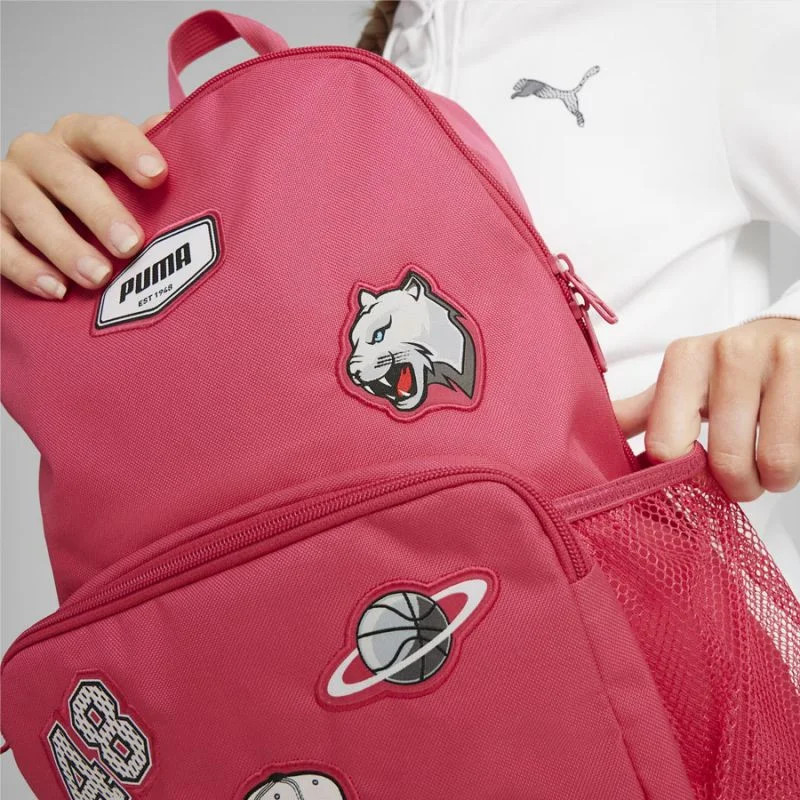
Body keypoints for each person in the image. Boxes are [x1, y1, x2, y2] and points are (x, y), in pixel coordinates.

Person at [1, 0, 798, 591]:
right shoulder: (335, 101)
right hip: (398, 702)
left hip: (660, 669)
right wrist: (83, 255)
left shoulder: (702, 18)